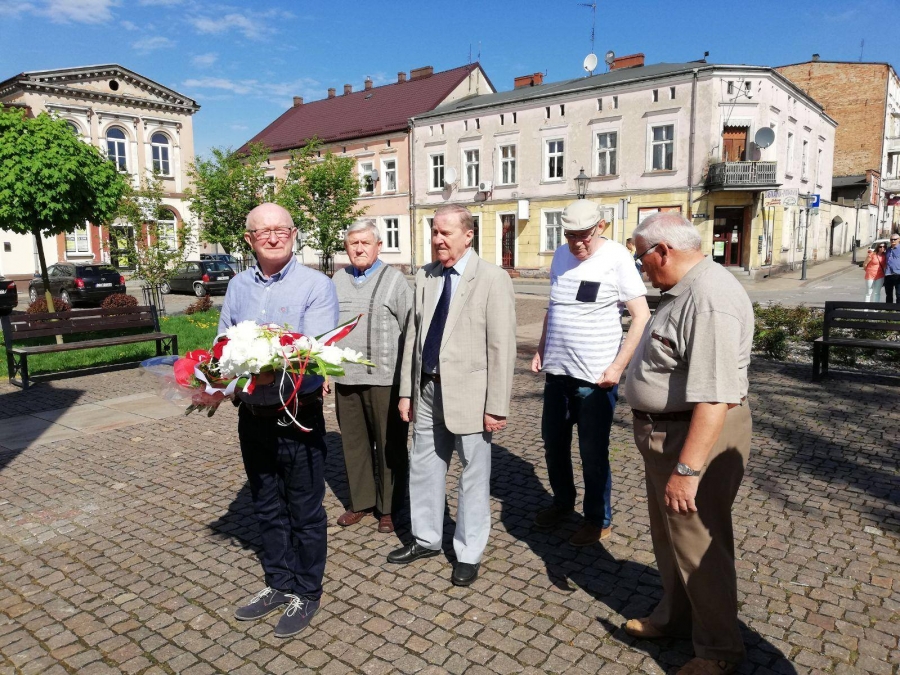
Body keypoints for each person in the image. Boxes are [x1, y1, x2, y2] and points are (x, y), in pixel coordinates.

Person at [623, 212, 754, 675]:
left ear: (663, 251)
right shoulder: (686, 289)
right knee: (671, 537)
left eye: (641, 258)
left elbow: (715, 398)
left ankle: (719, 652)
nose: (640, 267)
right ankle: (676, 617)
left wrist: (686, 471)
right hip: (669, 433)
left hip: (692, 437)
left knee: (700, 546)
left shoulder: (708, 298)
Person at [221, 203, 338, 638]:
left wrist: (260, 369)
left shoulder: (316, 285)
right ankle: (278, 582)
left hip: (297, 415)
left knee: (304, 510)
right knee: (266, 505)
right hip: (253, 415)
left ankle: (306, 591)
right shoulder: (237, 286)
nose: (273, 237)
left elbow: (313, 355)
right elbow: (222, 342)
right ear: (249, 239)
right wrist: (211, 378)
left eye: (281, 229)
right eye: (263, 231)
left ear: (293, 233)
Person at [388, 204, 516, 586]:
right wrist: (407, 392)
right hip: (427, 389)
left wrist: (497, 405)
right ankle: (426, 538)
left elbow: (502, 347)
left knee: (473, 475)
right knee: (424, 466)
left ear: (468, 235)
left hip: (472, 396)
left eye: (445, 233)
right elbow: (414, 338)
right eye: (434, 232)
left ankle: (468, 552)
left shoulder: (492, 278)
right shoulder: (426, 276)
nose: (438, 239)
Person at [530, 201, 650, 546]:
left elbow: (641, 316)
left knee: (593, 453)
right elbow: (554, 307)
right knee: (554, 445)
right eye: (570, 236)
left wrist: (617, 367)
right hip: (558, 373)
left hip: (596, 380)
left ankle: (598, 519)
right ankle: (562, 503)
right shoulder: (560, 256)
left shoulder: (617, 257)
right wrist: (541, 347)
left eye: (584, 236)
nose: (577, 243)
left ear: (600, 227)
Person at [332, 219, 412, 534]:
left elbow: (411, 330)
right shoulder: (338, 279)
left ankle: (389, 507)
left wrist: (407, 383)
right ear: (346, 247)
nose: (359, 248)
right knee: (354, 445)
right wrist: (324, 370)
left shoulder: (395, 281)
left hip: (385, 381)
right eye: (353, 243)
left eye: (366, 242)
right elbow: (328, 328)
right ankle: (362, 502)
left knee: (390, 445)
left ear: (379, 246)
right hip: (345, 378)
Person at [884, 233, 900, 303]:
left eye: (895, 239)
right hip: (888, 274)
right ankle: (889, 308)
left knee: (899, 294)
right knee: (888, 294)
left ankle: (898, 308)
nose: (893, 241)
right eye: (891, 239)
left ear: (899, 240)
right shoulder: (888, 249)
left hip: (898, 274)